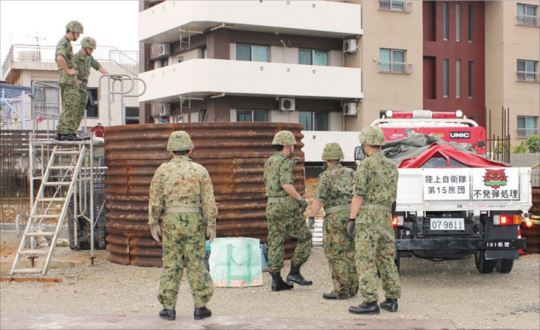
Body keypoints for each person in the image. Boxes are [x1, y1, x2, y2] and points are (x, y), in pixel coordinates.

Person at [148, 131, 217, 321]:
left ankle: (168, 308)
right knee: (196, 262)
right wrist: (211, 223)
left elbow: (155, 200)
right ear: (190, 149)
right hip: (195, 220)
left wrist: (153, 222)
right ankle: (200, 307)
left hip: (171, 221)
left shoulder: (162, 170)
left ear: (170, 150)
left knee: (172, 263)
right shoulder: (200, 170)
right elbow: (208, 200)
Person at [347, 126, 401, 315]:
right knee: (386, 258)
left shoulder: (366, 166)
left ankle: (370, 301)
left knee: (365, 259)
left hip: (368, 217)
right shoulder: (392, 166)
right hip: (385, 216)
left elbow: (358, 195)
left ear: (365, 145)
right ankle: (392, 299)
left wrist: (351, 218)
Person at [307, 143, 358, 300]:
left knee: (335, 254)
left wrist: (311, 215)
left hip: (334, 219)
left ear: (325, 159)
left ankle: (341, 290)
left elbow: (319, 200)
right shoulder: (351, 173)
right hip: (351, 216)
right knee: (349, 252)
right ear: (340, 157)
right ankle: (353, 288)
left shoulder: (326, 176)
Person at [264, 130, 312, 291]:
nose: (293, 148)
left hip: (271, 205)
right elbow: (286, 184)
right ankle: (294, 272)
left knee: (275, 241)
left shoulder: (269, 161)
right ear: (286, 146)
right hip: (285, 206)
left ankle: (277, 281)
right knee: (305, 237)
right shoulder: (284, 162)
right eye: (292, 145)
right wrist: (300, 199)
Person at [73, 37, 108, 135]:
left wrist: (110, 75)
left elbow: (98, 67)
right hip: (75, 86)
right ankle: (69, 131)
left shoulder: (89, 58)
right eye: (90, 49)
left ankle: (73, 131)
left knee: (80, 111)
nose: (92, 51)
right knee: (73, 110)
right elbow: (70, 73)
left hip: (83, 86)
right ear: (84, 47)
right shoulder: (75, 58)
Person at [55, 20, 84, 141]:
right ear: (72, 31)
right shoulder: (64, 43)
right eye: (78, 33)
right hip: (67, 80)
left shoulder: (67, 43)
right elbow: (60, 58)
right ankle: (67, 133)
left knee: (68, 105)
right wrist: (68, 71)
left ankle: (62, 132)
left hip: (67, 80)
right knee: (71, 105)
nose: (78, 36)